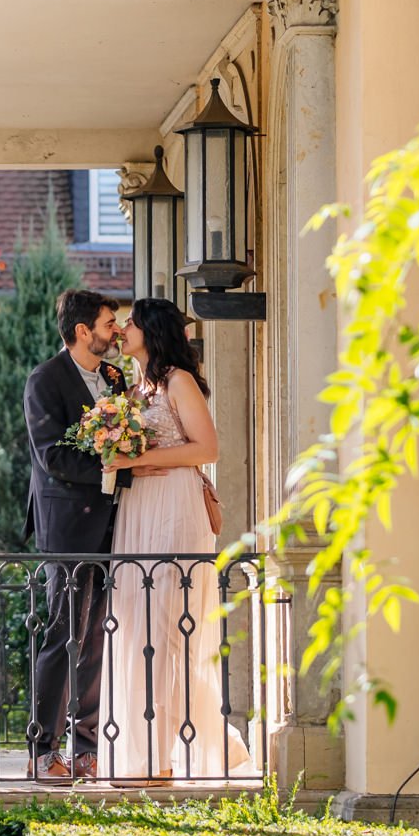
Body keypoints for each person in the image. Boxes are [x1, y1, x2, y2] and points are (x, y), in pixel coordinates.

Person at [97, 297, 254, 782]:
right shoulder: (136, 387)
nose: (122, 330)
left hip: (174, 508)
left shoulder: (178, 382)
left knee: (169, 632)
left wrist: (134, 462)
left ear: (152, 331)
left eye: (131, 323)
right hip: (140, 507)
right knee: (137, 627)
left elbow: (208, 448)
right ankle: (152, 752)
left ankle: (170, 756)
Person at [22, 288, 132, 779]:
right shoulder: (43, 381)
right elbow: (54, 457)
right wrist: (117, 469)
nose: (117, 332)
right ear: (84, 330)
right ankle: (43, 751)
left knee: (94, 638)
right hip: (66, 527)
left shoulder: (114, 377)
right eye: (110, 323)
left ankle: (84, 747)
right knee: (63, 633)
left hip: (112, 525)